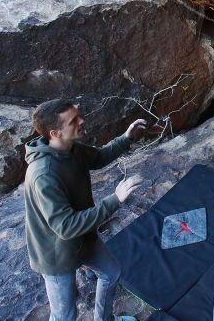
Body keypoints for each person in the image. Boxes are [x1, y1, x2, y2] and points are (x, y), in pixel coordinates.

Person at [25, 98, 147, 321]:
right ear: (55, 133)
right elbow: (66, 227)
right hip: (56, 254)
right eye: (73, 120)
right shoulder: (44, 174)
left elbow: (99, 157)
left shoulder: (71, 149)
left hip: (83, 238)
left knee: (111, 273)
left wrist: (126, 138)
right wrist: (115, 200)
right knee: (65, 315)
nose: (81, 120)